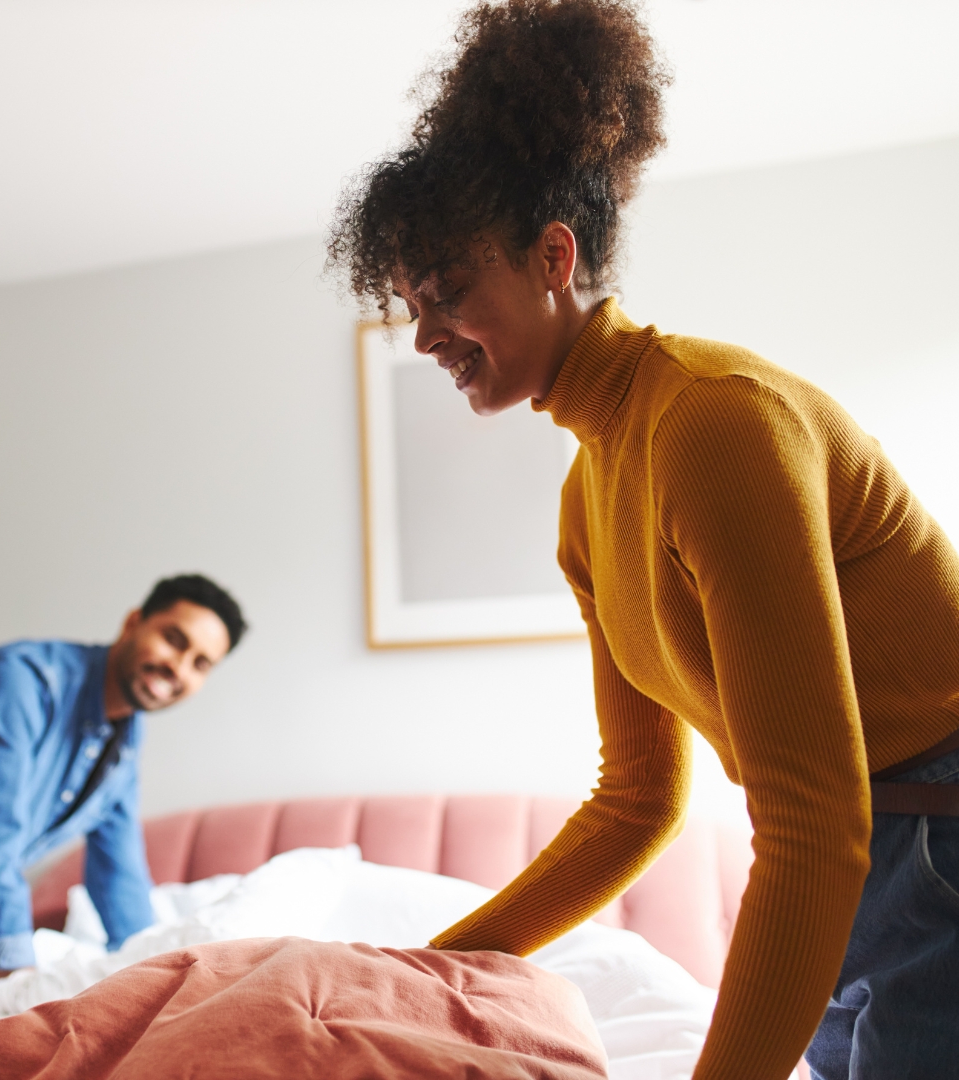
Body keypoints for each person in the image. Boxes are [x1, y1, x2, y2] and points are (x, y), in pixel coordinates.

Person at [327, 2, 959, 1078]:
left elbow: (814, 813)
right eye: (407, 304)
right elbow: (637, 799)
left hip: (932, 843)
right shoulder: (590, 494)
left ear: (553, 256)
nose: (423, 333)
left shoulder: (719, 421)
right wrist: (426, 968)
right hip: (879, 867)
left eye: (445, 294)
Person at [0, 573, 247, 985]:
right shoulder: (21, 682)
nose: (177, 667)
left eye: (201, 664)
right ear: (133, 623)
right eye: (174, 639)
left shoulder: (123, 744)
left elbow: (119, 874)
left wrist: (157, 980)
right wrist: (21, 985)